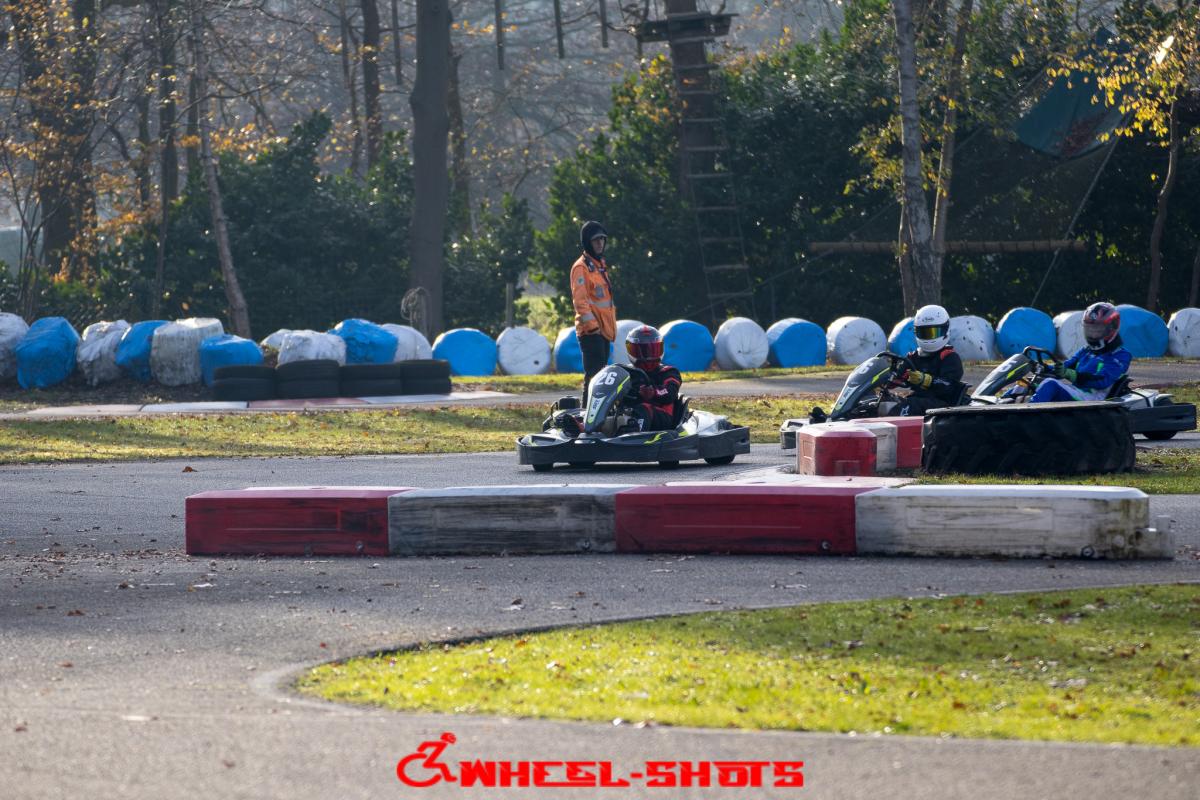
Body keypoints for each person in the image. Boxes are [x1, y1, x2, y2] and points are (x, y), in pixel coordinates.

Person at [1029, 301, 1131, 403]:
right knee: (1031, 384)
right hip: (1077, 392)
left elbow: (1103, 380)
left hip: (1094, 399)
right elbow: (1066, 366)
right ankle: (1022, 405)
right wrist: (1043, 367)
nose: (1093, 333)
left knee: (1050, 384)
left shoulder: (1120, 355)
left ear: (1112, 328)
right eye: (1090, 329)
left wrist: (1072, 375)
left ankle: (1029, 410)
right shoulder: (1086, 351)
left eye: (1097, 329)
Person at [571, 221, 616, 405]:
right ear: (587, 242)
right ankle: (586, 415)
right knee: (593, 378)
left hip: (603, 332)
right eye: (596, 240)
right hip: (591, 333)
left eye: (602, 239)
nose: (600, 243)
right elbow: (580, 302)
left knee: (601, 378)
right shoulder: (581, 267)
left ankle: (599, 415)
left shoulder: (599, 265)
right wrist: (593, 328)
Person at [893, 303, 966, 416]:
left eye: (933, 332)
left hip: (942, 406)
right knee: (881, 402)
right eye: (924, 333)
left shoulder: (949, 357)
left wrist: (925, 380)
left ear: (945, 329)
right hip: (918, 401)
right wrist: (888, 378)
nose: (928, 337)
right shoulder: (913, 357)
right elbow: (897, 377)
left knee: (906, 407)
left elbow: (949, 385)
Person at [621, 325, 682, 432]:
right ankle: (594, 430)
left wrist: (653, 392)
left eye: (652, 350)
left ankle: (635, 435)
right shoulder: (626, 371)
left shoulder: (669, 371)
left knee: (643, 408)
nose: (647, 356)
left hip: (662, 416)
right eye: (642, 351)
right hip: (630, 412)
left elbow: (670, 392)